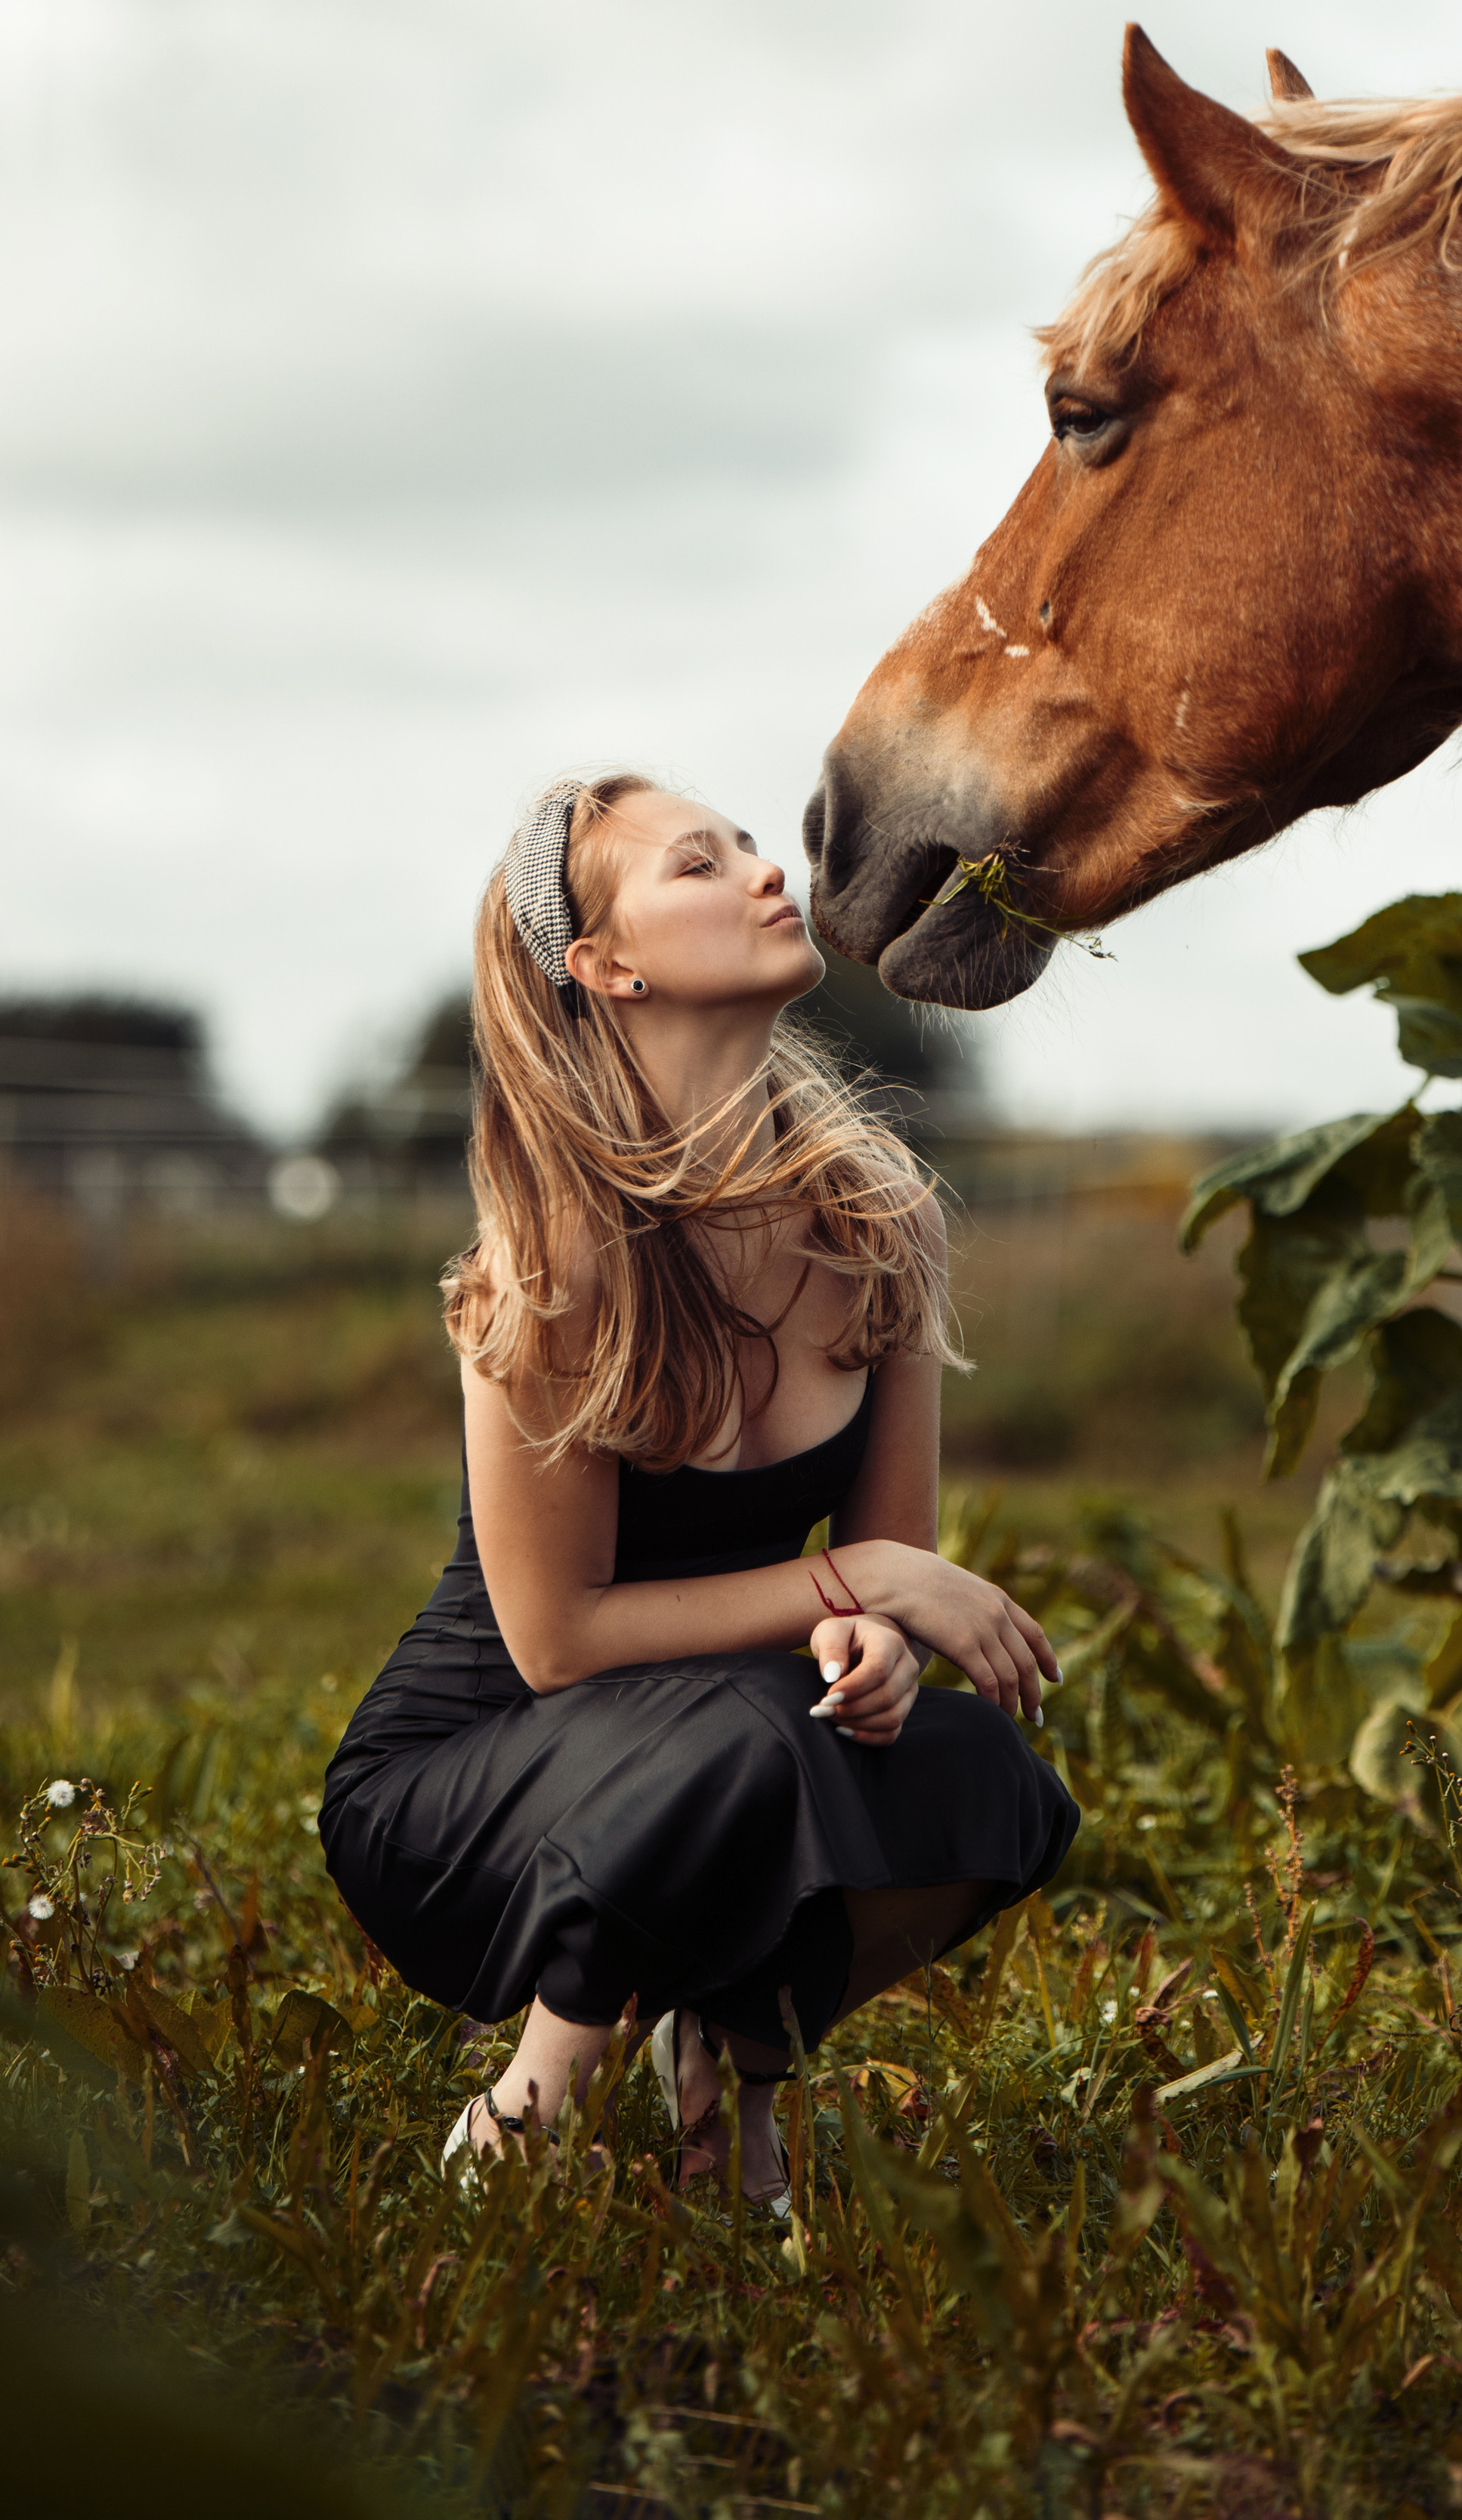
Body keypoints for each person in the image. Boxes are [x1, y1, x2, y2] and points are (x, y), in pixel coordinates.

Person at [318, 772, 1075, 2216]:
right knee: (751, 1724)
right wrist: (865, 1591)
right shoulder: (558, 1258)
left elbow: (885, 1559)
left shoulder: (878, 1216)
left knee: (986, 1781)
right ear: (607, 967)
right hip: (464, 1781)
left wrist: (879, 1638)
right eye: (700, 864)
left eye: (745, 845)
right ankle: (529, 2105)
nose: (764, 872)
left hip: (720, 1751)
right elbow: (557, 1643)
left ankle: (730, 2078)